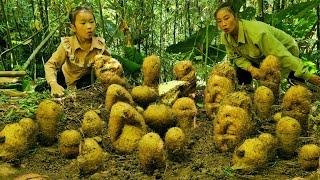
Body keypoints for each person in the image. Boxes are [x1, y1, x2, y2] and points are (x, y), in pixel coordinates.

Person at [214, 2, 320, 87]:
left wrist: (310, 77)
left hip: (286, 52)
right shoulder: (226, 36)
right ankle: (246, 93)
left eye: (227, 18)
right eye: (219, 21)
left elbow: (282, 55)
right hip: (258, 57)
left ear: (236, 17)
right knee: (242, 73)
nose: (223, 24)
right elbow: (237, 57)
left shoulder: (258, 33)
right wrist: (252, 69)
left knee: (296, 90)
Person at [45, 6, 110, 97]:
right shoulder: (67, 44)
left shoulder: (100, 45)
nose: (89, 26)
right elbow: (50, 65)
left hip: (85, 81)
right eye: (83, 23)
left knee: (86, 85)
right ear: (73, 27)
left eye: (91, 22)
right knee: (43, 88)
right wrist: (53, 84)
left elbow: (110, 64)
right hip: (65, 77)